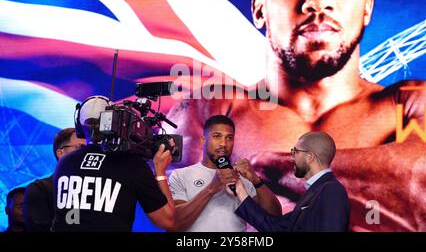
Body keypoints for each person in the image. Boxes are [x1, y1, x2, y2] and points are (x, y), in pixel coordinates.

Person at [167, 0, 426, 231]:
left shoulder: (418, 105)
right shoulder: (207, 110)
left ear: (367, 7)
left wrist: (270, 169)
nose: (317, 0)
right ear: (260, 10)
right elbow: (188, 224)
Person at [51, 96, 175, 231]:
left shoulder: (65, 163)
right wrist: (160, 170)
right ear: (117, 122)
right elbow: (167, 220)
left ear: (79, 126)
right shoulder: (132, 164)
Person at [168, 115, 282, 232]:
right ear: (203, 139)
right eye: (217, 136)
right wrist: (211, 188)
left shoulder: (242, 176)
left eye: (229, 138)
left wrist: (256, 180)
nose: (223, 143)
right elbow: (174, 224)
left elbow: (275, 215)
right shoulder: (180, 175)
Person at [232, 131, 349, 232]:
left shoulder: (332, 190)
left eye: (295, 152)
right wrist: (240, 191)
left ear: (310, 157)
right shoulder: (315, 191)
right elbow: (275, 228)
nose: (292, 158)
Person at [23, 128, 85, 232]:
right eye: (80, 147)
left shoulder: (96, 187)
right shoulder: (39, 190)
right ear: (60, 153)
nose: (86, 153)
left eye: (89, 148)